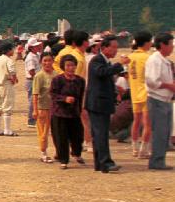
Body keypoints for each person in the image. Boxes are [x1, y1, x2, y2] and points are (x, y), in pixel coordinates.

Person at [86, 35, 130, 173]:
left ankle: (100, 163)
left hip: (102, 103)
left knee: (100, 133)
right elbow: (102, 73)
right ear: (104, 48)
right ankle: (106, 162)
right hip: (98, 103)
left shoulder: (105, 61)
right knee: (100, 134)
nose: (116, 50)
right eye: (114, 47)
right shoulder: (97, 60)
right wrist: (120, 64)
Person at [144, 33, 175, 170]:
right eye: (170, 44)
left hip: (165, 99)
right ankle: (156, 161)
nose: (172, 47)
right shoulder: (154, 60)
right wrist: (169, 85)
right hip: (157, 99)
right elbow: (151, 81)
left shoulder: (164, 60)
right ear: (162, 45)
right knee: (160, 132)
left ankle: (160, 160)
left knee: (165, 132)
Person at [50, 55, 86, 169]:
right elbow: (53, 94)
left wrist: (80, 109)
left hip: (74, 113)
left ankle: (76, 153)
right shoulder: (57, 80)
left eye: (73, 65)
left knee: (78, 136)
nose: (71, 68)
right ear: (63, 67)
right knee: (61, 137)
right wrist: (64, 99)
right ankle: (63, 160)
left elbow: (80, 96)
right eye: (68, 65)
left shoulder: (80, 81)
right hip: (59, 113)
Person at [128, 31, 153, 158]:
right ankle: (144, 149)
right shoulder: (147, 57)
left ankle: (135, 148)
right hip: (146, 93)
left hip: (134, 93)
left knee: (136, 121)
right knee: (148, 123)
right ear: (146, 42)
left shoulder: (131, 56)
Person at [31, 54, 56, 163]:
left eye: (49, 60)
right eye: (45, 61)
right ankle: (44, 153)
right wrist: (35, 110)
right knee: (43, 133)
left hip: (54, 108)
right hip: (43, 108)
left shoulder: (56, 75)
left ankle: (58, 152)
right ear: (41, 62)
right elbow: (35, 94)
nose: (47, 63)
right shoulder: (39, 76)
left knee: (56, 131)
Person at [0, 42, 18, 136]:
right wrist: (13, 79)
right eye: (12, 49)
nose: (13, 51)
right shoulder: (8, 60)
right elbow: (12, 72)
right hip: (6, 84)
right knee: (7, 107)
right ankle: (7, 130)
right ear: (8, 50)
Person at [24, 38, 43, 127]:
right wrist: (38, 80)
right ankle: (31, 120)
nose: (38, 47)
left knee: (35, 100)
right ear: (31, 48)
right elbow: (32, 72)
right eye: (36, 46)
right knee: (32, 101)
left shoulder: (36, 55)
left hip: (34, 79)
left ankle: (34, 118)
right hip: (32, 80)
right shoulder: (30, 58)